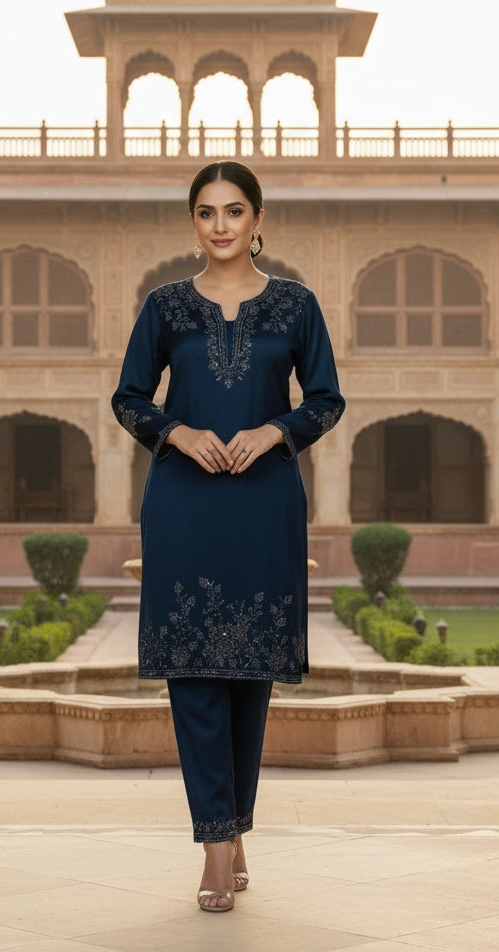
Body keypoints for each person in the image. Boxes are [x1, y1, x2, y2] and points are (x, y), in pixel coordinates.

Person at [111, 160, 344, 912]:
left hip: (264, 501)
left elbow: (327, 400)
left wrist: (274, 430)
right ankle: (216, 847)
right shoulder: (167, 308)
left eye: (233, 211)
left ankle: (233, 826)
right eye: (206, 212)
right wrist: (175, 433)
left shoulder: (295, 306)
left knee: (250, 677)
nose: (220, 225)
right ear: (194, 222)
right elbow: (129, 396)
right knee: (195, 676)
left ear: (257, 219)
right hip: (184, 505)